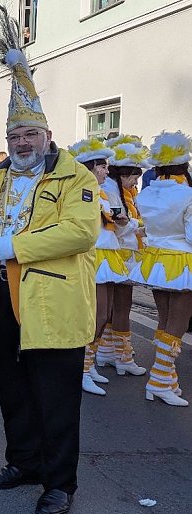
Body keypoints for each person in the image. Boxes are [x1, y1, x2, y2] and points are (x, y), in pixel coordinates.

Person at [0, 47, 98, 514]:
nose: (22, 142)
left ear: (48, 135)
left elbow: (81, 232)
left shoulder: (75, 175)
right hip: (3, 302)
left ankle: (59, 483)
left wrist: (19, 247)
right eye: (15, 135)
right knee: (14, 391)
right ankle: (24, 462)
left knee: (56, 398)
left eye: (30, 133)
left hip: (51, 303)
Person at [128, 131, 192, 407]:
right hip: (181, 261)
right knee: (178, 324)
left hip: (155, 261)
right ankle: (159, 380)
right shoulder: (188, 195)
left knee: (164, 320)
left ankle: (167, 379)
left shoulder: (146, 194)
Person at [94, 136, 150, 378]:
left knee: (115, 307)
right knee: (119, 308)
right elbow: (118, 225)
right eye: (134, 176)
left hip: (122, 252)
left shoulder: (120, 189)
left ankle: (108, 351)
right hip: (118, 253)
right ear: (124, 174)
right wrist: (138, 226)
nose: (136, 181)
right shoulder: (109, 190)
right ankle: (122, 356)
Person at [67, 138, 117, 396]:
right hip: (90, 259)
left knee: (105, 313)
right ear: (90, 167)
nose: (107, 171)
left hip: (106, 257)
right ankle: (82, 369)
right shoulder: (81, 192)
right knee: (95, 314)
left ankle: (89, 363)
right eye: (102, 166)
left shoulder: (103, 192)